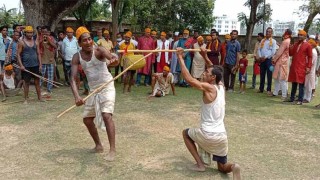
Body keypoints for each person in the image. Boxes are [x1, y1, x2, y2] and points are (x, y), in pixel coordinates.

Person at [177, 47, 241, 179]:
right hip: (222, 136)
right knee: (222, 168)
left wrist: (180, 58)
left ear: (212, 78)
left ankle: (200, 165)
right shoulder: (221, 86)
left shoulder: (209, 88)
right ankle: (234, 167)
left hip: (208, 134)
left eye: (206, 72)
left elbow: (189, 80)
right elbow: (213, 68)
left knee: (185, 133)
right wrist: (204, 55)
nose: (203, 73)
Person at [70, 26, 119, 161]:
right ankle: (98, 145)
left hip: (107, 86)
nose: (88, 42)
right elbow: (72, 79)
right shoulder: (77, 57)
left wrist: (115, 60)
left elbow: (112, 60)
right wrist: (77, 97)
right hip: (93, 90)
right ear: (79, 43)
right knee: (87, 119)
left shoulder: (99, 50)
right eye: (84, 40)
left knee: (106, 115)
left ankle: (112, 150)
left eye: (90, 39)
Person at [285, 30, 312, 105]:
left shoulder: (308, 45)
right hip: (294, 66)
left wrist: (308, 67)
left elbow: (310, 57)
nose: (299, 36)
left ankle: (300, 100)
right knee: (294, 82)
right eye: (299, 35)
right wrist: (290, 46)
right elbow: (291, 53)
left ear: (305, 36)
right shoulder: (296, 44)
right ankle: (292, 98)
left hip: (302, 66)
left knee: (301, 83)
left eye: (301, 35)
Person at [17, 26, 44, 104]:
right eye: (28, 32)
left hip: (35, 65)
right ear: (25, 33)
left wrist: (40, 65)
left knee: (37, 82)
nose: (30, 34)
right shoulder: (21, 42)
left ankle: (40, 98)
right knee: (26, 83)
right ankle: (26, 99)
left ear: (33, 33)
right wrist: (21, 65)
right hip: (26, 66)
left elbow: (38, 54)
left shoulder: (36, 42)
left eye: (31, 32)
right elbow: (18, 54)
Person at [271, 29, 291, 99]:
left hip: (281, 62)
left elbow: (279, 52)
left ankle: (284, 95)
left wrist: (274, 59)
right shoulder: (288, 41)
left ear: (286, 33)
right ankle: (276, 92)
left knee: (282, 78)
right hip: (283, 61)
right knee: (277, 78)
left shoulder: (285, 41)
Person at [257, 27, 277, 95]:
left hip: (269, 60)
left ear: (271, 33)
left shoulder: (273, 41)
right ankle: (261, 88)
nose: (268, 33)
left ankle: (269, 89)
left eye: (269, 32)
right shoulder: (263, 40)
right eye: (267, 31)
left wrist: (266, 57)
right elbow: (259, 49)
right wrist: (260, 57)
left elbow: (273, 51)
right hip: (262, 60)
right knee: (262, 74)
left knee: (269, 75)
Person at [39, 26, 57, 95]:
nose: (44, 33)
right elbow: (36, 46)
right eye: (43, 32)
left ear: (48, 32)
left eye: (46, 32)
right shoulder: (39, 38)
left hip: (50, 59)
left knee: (50, 75)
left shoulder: (52, 38)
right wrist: (41, 40)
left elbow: (55, 47)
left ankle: (49, 89)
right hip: (42, 60)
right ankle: (39, 88)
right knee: (41, 75)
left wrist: (49, 41)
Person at [303, 38, 318, 103]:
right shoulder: (312, 51)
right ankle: (305, 97)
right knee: (307, 84)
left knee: (309, 85)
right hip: (308, 70)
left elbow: (310, 62)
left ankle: (307, 98)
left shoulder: (313, 52)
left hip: (309, 70)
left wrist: (306, 69)